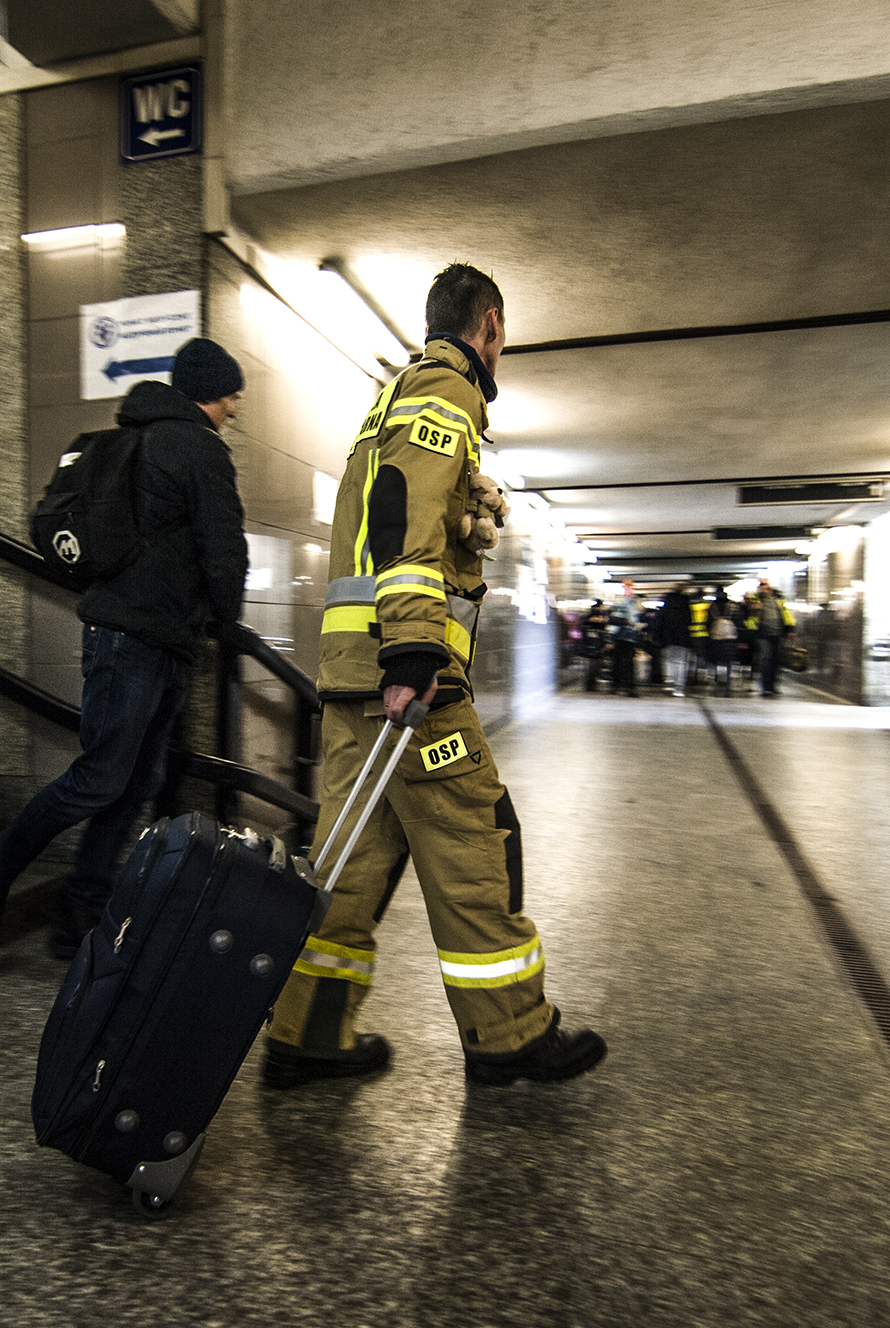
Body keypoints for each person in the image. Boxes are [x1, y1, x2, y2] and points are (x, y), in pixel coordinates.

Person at [263, 263, 606, 1088]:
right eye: (503, 334)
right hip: (407, 681)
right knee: (475, 842)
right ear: (488, 324)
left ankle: (306, 1030)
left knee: (349, 864)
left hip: (352, 674)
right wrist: (415, 653)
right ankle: (510, 1034)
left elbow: (391, 515)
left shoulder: (391, 401)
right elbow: (402, 519)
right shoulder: (447, 393)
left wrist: (463, 530)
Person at [0, 338, 250, 958]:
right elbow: (226, 553)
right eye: (229, 398)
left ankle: (82, 910)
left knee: (132, 781)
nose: (232, 411)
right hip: (141, 642)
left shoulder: (135, 438)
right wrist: (228, 623)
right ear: (206, 395)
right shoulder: (198, 448)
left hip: (142, 639)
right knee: (102, 779)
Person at [748, 578, 797, 697]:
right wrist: (753, 608)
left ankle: (774, 685)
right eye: (761, 585)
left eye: (764, 584)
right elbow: (748, 613)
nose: (763, 587)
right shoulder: (756, 598)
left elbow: (787, 613)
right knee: (766, 660)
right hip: (763, 634)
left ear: (770, 586)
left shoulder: (779, 598)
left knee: (776, 661)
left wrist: (790, 629)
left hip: (779, 634)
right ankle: (766, 687)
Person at [652, 585, 691, 695]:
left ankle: (669, 681)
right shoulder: (686, 606)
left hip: (667, 637)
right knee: (681, 662)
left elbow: (658, 623)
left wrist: (657, 637)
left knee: (669, 660)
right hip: (683, 638)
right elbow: (690, 621)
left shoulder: (666, 607)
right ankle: (679, 688)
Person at [707, 587, 739, 692]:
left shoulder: (712, 606)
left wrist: (709, 632)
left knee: (717, 657)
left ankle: (717, 676)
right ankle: (728, 677)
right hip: (730, 635)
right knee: (728, 658)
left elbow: (708, 621)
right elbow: (738, 621)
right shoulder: (732, 605)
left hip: (716, 634)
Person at [579, 599, 609, 691]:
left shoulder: (601, 616)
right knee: (592, 665)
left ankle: (592, 683)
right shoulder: (590, 616)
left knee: (597, 665)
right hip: (592, 641)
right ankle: (589, 684)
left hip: (597, 642)